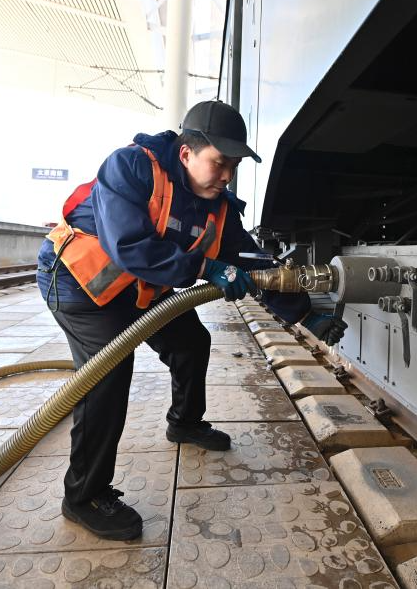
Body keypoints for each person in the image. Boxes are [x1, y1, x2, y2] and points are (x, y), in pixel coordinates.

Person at [36, 100, 346, 541]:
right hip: (81, 285)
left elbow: (249, 265)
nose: (226, 177)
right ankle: (83, 496)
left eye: (233, 167)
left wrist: (306, 317)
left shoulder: (218, 206)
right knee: (107, 377)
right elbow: (129, 246)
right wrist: (205, 269)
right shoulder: (131, 168)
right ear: (186, 153)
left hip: (142, 292)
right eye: (220, 164)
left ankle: (184, 423)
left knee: (191, 344)